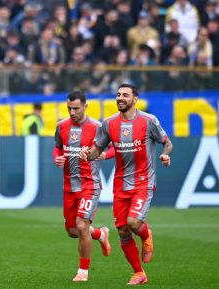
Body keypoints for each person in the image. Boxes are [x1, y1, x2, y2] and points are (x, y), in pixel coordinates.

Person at [79, 83, 173, 285]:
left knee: (133, 223)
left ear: (135, 99)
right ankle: (139, 273)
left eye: (125, 95)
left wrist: (165, 154)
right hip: (121, 183)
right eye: (118, 95)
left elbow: (167, 141)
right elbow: (97, 149)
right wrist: (88, 155)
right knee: (122, 231)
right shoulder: (109, 123)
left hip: (143, 181)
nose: (120, 98)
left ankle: (146, 235)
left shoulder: (149, 121)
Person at [53, 91, 112, 282]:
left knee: (81, 225)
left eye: (76, 108)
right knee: (72, 231)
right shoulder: (61, 126)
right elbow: (58, 147)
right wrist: (57, 158)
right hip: (70, 186)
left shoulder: (98, 127)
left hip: (90, 184)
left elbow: (113, 147)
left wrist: (102, 155)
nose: (72, 112)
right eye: (69, 108)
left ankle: (83, 272)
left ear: (86, 107)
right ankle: (101, 234)